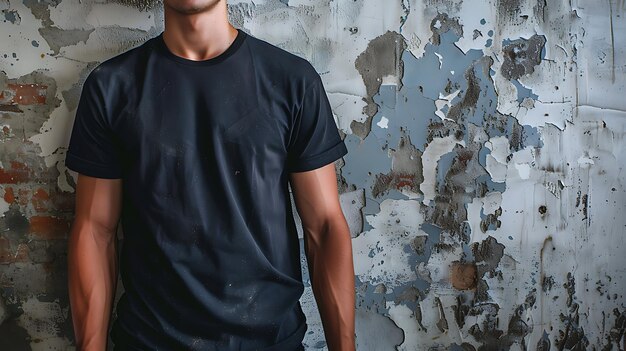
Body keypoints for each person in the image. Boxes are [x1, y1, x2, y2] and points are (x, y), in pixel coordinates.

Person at [64, 0, 356, 350]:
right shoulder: (111, 86)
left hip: (270, 340)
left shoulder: (292, 80)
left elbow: (324, 227)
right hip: (151, 340)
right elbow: (95, 231)